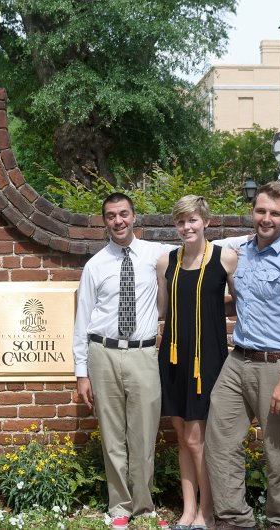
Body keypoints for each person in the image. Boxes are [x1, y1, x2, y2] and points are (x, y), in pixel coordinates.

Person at [205, 181, 280, 530]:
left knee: (278, 451)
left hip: (276, 364)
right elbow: (242, 300)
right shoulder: (242, 252)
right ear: (253, 212)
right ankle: (235, 519)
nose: (267, 218)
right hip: (237, 360)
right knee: (219, 440)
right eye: (261, 210)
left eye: (275, 213)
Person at [73, 192, 172, 530]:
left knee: (144, 435)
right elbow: (82, 320)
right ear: (104, 221)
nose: (118, 221)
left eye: (124, 214)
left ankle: (144, 507)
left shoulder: (156, 255)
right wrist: (81, 373)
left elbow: (196, 246)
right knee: (113, 436)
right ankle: (120, 506)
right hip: (103, 355)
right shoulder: (95, 265)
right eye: (111, 216)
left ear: (134, 217)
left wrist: (249, 237)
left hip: (144, 354)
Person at [157, 196, 238, 530]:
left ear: (206, 221)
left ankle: (208, 511)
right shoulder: (167, 262)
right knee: (181, 435)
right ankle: (188, 511)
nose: (186, 227)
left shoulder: (226, 259)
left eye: (192, 220)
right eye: (180, 221)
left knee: (197, 438)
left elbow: (241, 303)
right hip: (174, 355)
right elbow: (164, 310)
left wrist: (214, 308)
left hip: (207, 359)